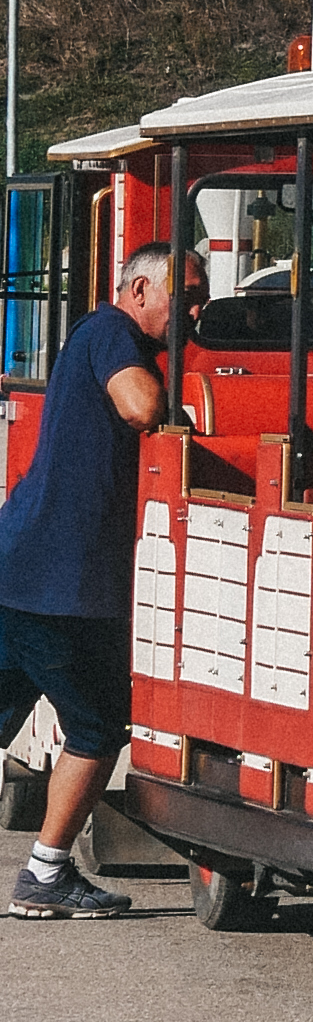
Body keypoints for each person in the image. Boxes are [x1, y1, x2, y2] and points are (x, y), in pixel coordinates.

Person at [0, 249, 171, 919]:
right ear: (137, 289)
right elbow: (139, 406)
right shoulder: (112, 333)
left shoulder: (100, 334)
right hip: (65, 585)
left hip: (24, 566)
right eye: (184, 297)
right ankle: (46, 873)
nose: (196, 312)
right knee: (98, 726)